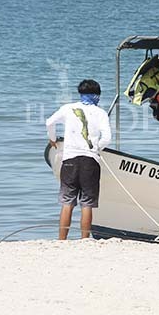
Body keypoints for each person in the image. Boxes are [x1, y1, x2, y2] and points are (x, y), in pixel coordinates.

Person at [46, 79, 112, 239]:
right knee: (87, 203)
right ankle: (84, 239)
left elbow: (49, 122)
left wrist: (52, 138)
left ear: (81, 93)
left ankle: (61, 240)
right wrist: (96, 148)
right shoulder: (100, 113)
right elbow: (107, 138)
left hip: (69, 159)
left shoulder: (68, 108)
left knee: (67, 201)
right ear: (97, 96)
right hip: (90, 160)